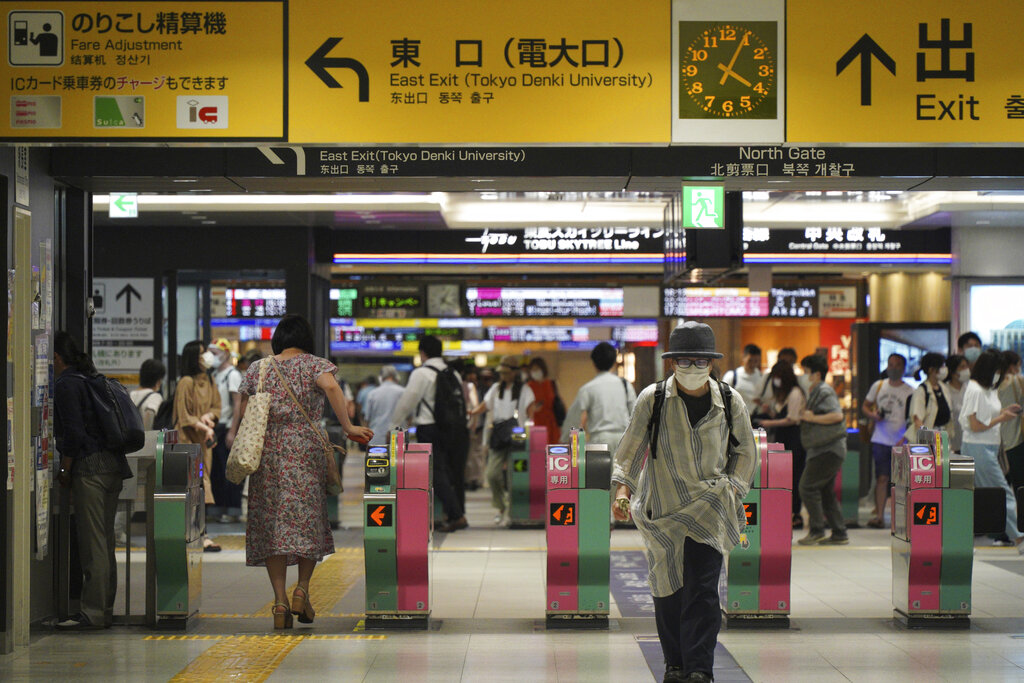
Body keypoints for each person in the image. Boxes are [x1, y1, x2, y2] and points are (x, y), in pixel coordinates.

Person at [612, 322, 757, 683]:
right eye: (685, 360)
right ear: (672, 362)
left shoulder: (728, 399)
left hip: (710, 508)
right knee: (668, 588)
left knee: (704, 589)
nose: (692, 367)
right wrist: (622, 491)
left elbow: (746, 451)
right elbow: (630, 449)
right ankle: (675, 662)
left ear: (711, 363)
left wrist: (733, 490)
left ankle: (698, 668)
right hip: (663, 509)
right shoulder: (654, 398)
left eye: (699, 360)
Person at [237, 314, 373, 629]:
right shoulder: (314, 365)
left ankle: (280, 603)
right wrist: (348, 425)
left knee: (272, 526)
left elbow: (245, 411)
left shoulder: (259, 368)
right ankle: (303, 589)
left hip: (268, 452)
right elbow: (330, 386)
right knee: (307, 521)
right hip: (305, 450)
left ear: (278, 339)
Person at [53, 332, 134, 630]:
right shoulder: (91, 379)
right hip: (113, 466)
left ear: (58, 358)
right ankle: (105, 609)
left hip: (90, 469)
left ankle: (93, 613)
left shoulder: (66, 384)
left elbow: (73, 434)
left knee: (93, 545)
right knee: (105, 542)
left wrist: (65, 469)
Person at [389, 335, 469, 532]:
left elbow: (407, 402)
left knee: (436, 472)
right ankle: (454, 513)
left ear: (422, 352)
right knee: (452, 473)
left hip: (430, 428)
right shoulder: (453, 373)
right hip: (454, 429)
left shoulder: (422, 373)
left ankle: (456, 515)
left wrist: (393, 426)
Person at [959, 349, 1024, 554]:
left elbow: (985, 418)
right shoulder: (976, 390)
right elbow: (975, 425)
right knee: (1002, 493)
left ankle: (961, 539)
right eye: (999, 371)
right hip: (979, 448)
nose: (1001, 376)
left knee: (979, 497)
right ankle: (1019, 537)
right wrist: (1001, 419)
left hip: (988, 447)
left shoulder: (986, 389)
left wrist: (1005, 412)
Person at [470, 355, 536, 526]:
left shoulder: (525, 390)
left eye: (506, 373)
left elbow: (531, 412)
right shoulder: (495, 388)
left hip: (518, 435)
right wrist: (474, 413)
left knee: (516, 475)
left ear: (515, 372)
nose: (503, 376)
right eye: (502, 373)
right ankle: (501, 504)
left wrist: (530, 430)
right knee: (492, 474)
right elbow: (486, 404)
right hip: (499, 435)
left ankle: (514, 511)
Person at [174, 339, 223, 551]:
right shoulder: (185, 382)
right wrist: (204, 426)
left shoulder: (210, 381)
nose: (207, 357)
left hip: (203, 444)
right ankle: (196, 534)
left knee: (202, 487)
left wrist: (208, 418)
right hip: (187, 443)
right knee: (192, 487)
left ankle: (200, 533)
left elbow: (216, 407)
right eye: (203, 353)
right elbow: (184, 417)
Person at [796, 354, 849, 545]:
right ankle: (839, 532)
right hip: (826, 450)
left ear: (817, 374)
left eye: (806, 372)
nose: (804, 376)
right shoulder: (817, 390)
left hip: (827, 449)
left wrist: (810, 418)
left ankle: (817, 530)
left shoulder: (824, 390)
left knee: (807, 487)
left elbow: (836, 415)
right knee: (826, 492)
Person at [862, 353, 914, 528]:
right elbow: (865, 406)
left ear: (903, 368)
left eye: (897, 365)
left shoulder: (910, 391)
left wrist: (905, 438)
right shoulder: (879, 386)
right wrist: (872, 415)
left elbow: (913, 419)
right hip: (880, 438)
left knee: (901, 481)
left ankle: (901, 518)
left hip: (901, 441)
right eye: (890, 364)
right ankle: (880, 517)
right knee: (882, 478)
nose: (893, 368)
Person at [561, 341, 637, 453]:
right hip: (623, 441)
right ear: (614, 362)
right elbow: (635, 413)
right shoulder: (625, 385)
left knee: (601, 470)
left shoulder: (588, 388)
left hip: (599, 442)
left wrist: (565, 439)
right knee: (621, 471)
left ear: (594, 363)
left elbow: (575, 417)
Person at [757, 361, 807, 530]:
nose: (775, 381)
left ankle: (795, 513)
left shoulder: (795, 393)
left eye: (777, 377)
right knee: (784, 478)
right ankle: (786, 513)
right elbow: (782, 416)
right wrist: (770, 413)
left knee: (794, 478)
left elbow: (792, 419)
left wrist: (768, 422)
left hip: (794, 439)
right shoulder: (784, 395)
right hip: (784, 439)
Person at [206, 339, 243, 524]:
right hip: (215, 428)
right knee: (216, 472)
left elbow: (237, 404)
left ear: (226, 353)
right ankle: (218, 508)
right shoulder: (213, 374)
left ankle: (233, 509)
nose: (211, 357)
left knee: (229, 471)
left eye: (215, 353)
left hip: (227, 427)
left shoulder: (232, 375)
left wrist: (233, 431)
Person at [907, 352, 953, 443]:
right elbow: (917, 420)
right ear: (931, 370)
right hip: (928, 439)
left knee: (944, 457)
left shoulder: (943, 388)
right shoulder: (921, 391)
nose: (945, 369)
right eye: (942, 366)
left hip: (943, 437)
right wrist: (929, 437)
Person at [997, 351, 1024, 495]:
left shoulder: (993, 384)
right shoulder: (1017, 380)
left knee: (1003, 487)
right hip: (1017, 441)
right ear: (1013, 365)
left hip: (999, 443)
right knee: (1020, 485)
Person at [363, 365, 405, 446]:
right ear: (396, 377)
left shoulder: (372, 394)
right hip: (398, 439)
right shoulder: (403, 392)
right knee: (397, 458)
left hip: (376, 438)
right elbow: (410, 417)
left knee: (377, 458)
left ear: (381, 378)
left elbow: (367, 419)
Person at [526, 356, 561, 445]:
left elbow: (556, 402)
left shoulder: (551, 384)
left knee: (553, 452)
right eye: (532, 370)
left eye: (537, 369)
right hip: (536, 423)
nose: (535, 372)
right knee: (539, 453)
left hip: (551, 423)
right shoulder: (528, 387)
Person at [722, 344, 764, 415]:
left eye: (756, 361)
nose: (753, 364)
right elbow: (722, 396)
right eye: (750, 360)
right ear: (743, 357)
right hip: (736, 416)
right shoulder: (732, 376)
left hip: (755, 416)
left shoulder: (761, 377)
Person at [130, 358, 166, 430]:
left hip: (128, 439)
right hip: (144, 439)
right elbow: (150, 412)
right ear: (158, 380)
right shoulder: (155, 397)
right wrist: (146, 436)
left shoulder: (131, 394)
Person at [944, 354, 970, 452]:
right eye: (962, 367)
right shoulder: (945, 390)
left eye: (967, 366)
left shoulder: (970, 388)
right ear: (953, 372)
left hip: (968, 441)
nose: (966, 370)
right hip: (951, 442)